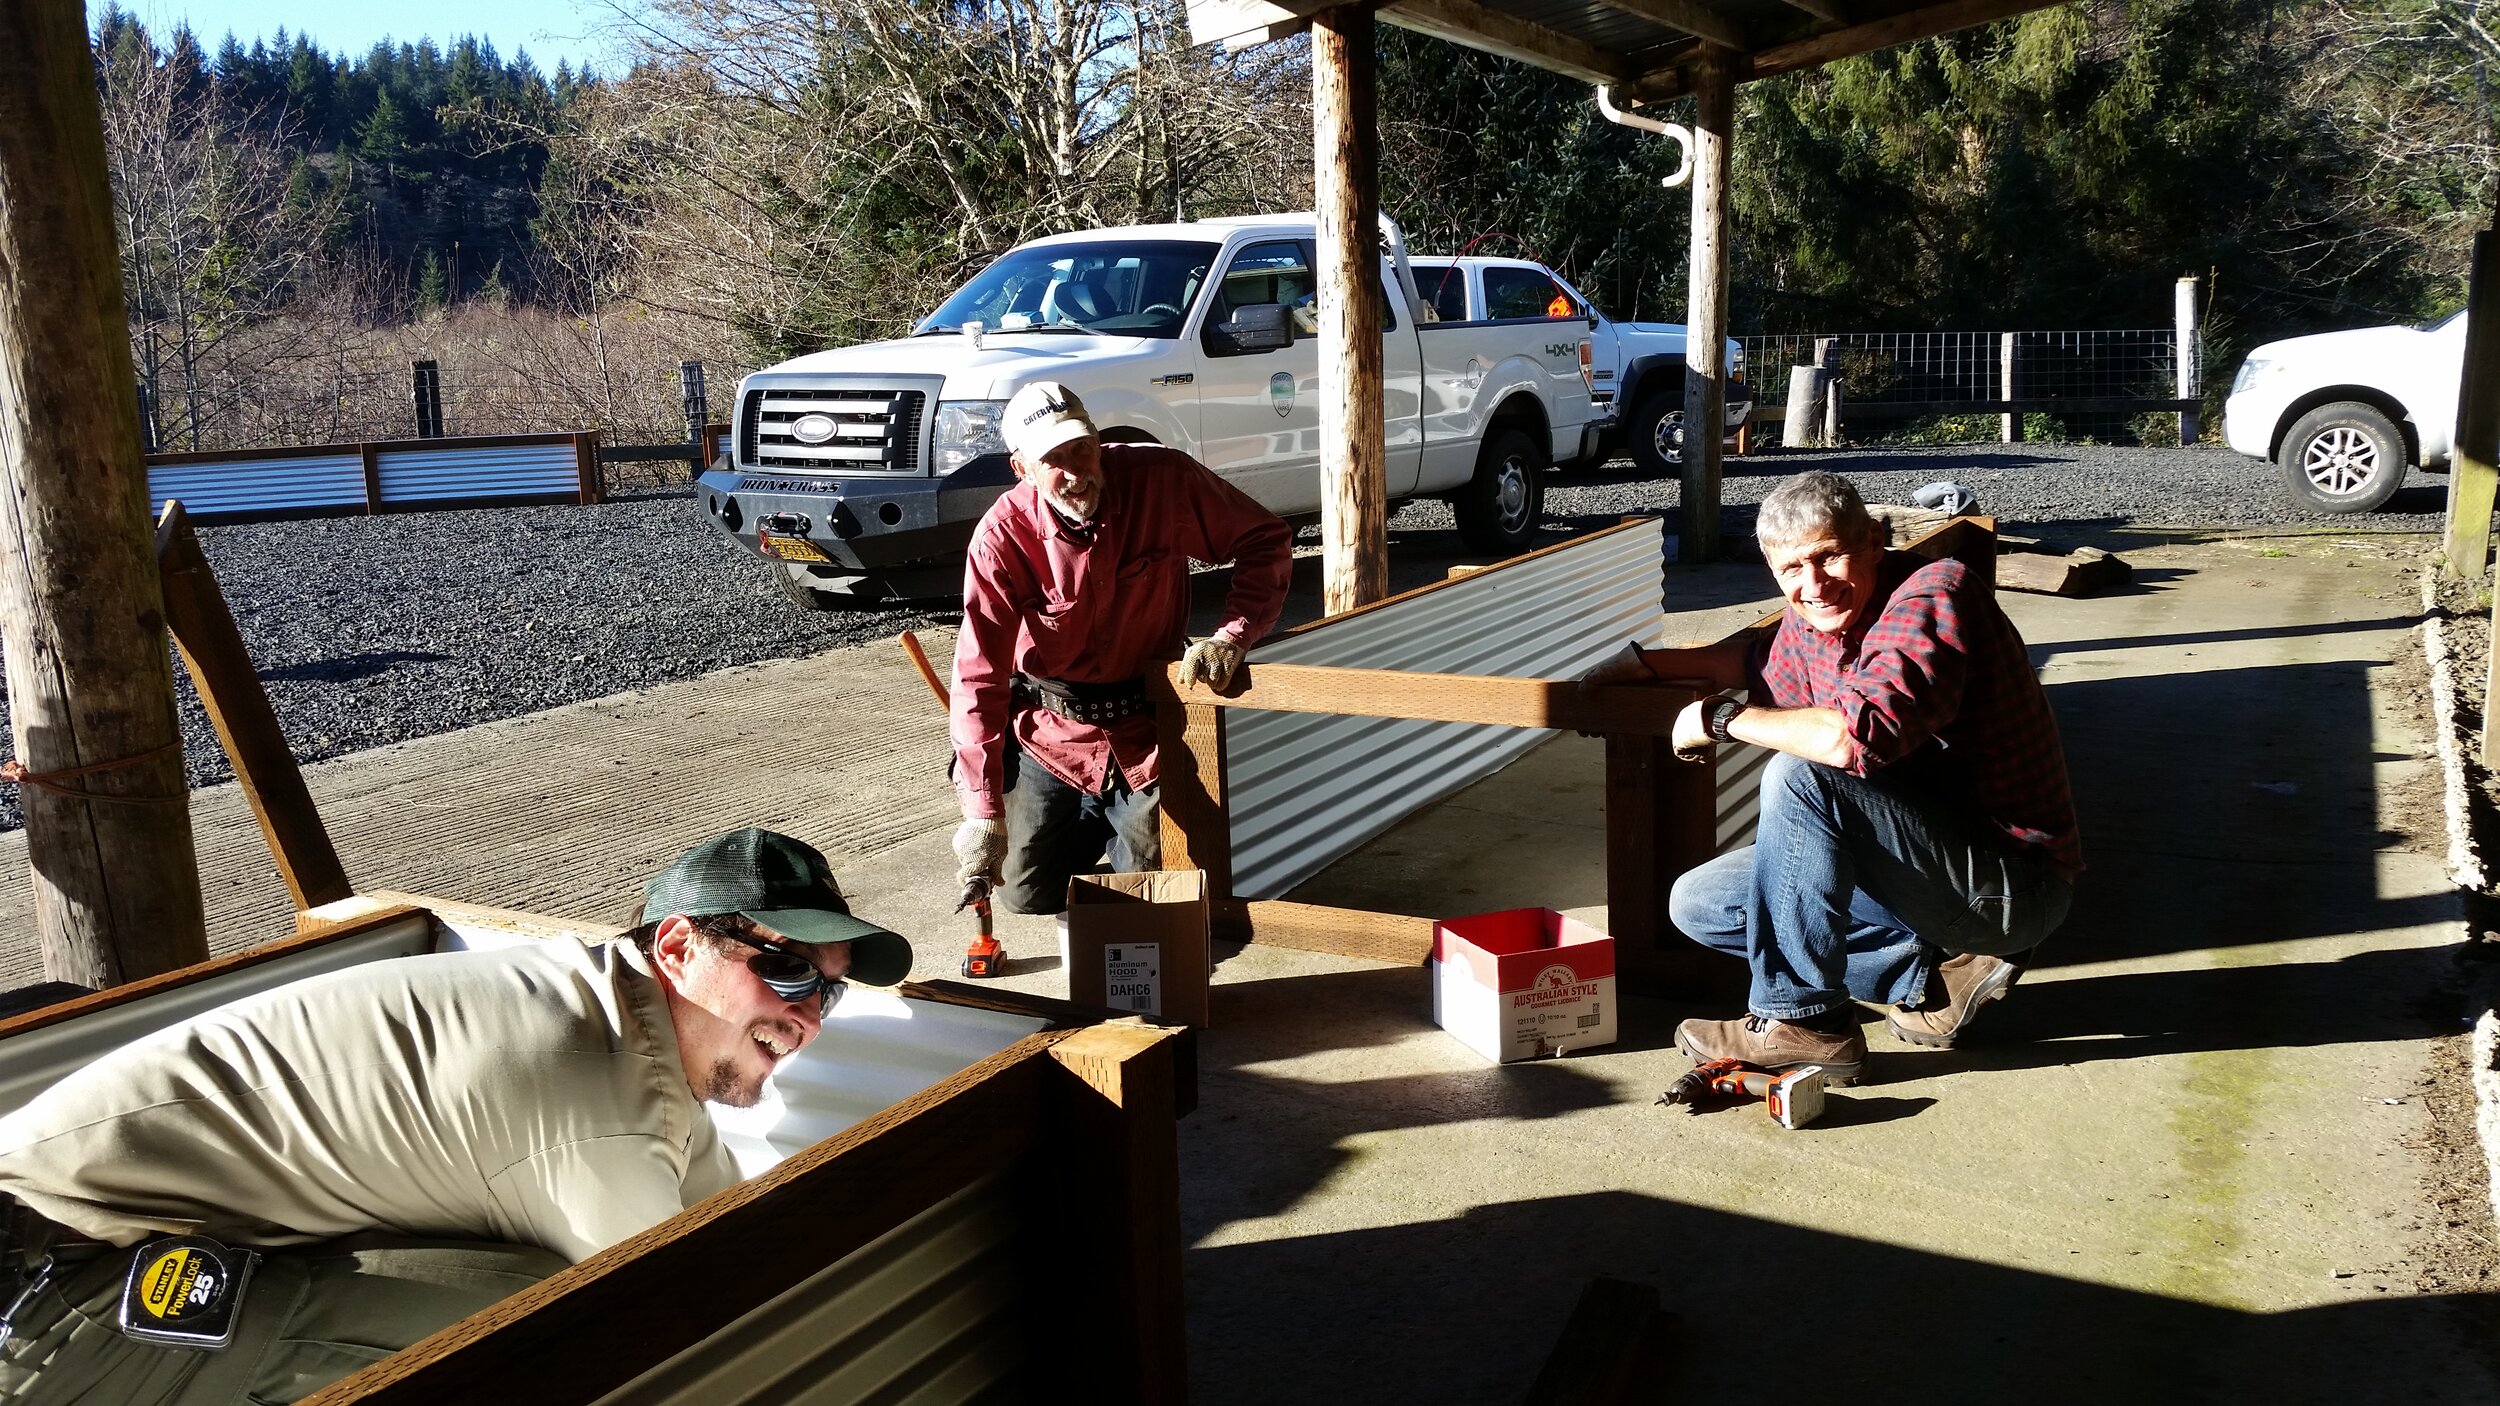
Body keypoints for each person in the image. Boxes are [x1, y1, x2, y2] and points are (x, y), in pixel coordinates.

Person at [0, 827, 910, 1404]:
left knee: (532, 1283)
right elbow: (686, 1326)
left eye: (828, 996)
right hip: (51, 1300)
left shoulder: (613, 1021)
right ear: (675, 946)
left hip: (139, 1244)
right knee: (531, 1330)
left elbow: (722, 1224)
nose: (805, 1017)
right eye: (789, 972)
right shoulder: (593, 1094)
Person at [1581, 471, 2080, 1083]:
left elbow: (1851, 738)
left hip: (2012, 883)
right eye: (1791, 569)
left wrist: (1719, 716)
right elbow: (1747, 656)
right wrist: (1636, 666)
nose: (1812, 584)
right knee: (1700, 903)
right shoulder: (1821, 618)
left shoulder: (1932, 595)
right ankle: (1928, 973)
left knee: (1801, 776)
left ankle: (1806, 1020)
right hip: (1927, 874)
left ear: (1872, 539)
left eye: (1828, 556)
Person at [949, 381, 1294, 915]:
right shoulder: (1002, 537)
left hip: (1146, 725)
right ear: (1022, 468)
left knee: (1150, 892)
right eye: (1053, 459)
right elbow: (979, 676)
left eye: (1081, 447)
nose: (1076, 471)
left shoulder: (1164, 478)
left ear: (1098, 439)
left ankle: (1118, 819)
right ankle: (1091, 816)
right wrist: (982, 811)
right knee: (1025, 894)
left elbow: (1264, 539)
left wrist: (1233, 634)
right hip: (1051, 730)